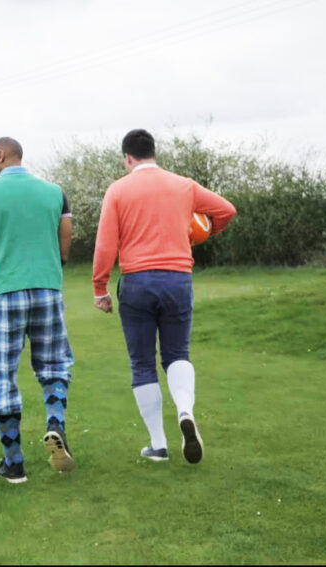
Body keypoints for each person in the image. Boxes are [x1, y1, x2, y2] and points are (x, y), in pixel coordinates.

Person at [92, 129, 237, 464]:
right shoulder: (183, 185)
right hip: (177, 279)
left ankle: (158, 444)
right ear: (153, 153)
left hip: (137, 282)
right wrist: (201, 234)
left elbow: (105, 245)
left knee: (142, 363)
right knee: (177, 354)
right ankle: (185, 411)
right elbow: (227, 210)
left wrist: (100, 287)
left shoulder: (118, 190)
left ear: (127, 157)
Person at [0, 137, 75, 484]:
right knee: (55, 362)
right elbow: (64, 244)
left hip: (4, 292)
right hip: (48, 289)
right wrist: (48, 272)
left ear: (1, 155)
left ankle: (13, 463)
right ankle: (55, 422)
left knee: (2, 374)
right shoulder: (56, 193)